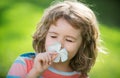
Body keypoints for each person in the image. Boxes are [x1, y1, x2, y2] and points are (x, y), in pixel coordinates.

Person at [7, 0, 102, 78]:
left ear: (83, 45)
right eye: (53, 36)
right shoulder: (24, 64)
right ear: (45, 35)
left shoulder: (80, 76)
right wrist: (35, 72)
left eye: (69, 40)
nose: (59, 44)